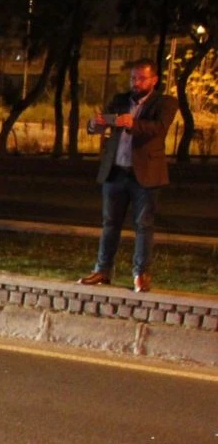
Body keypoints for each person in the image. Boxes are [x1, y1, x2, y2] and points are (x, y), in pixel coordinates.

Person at [78, 58, 178, 294]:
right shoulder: (120, 100)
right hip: (116, 172)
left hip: (145, 175)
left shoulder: (165, 102)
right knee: (110, 223)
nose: (136, 82)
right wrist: (95, 125)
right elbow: (103, 124)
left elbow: (159, 129)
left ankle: (140, 274)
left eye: (141, 78)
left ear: (154, 80)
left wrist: (133, 123)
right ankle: (103, 269)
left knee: (143, 225)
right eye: (133, 78)